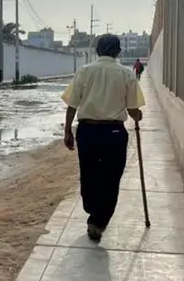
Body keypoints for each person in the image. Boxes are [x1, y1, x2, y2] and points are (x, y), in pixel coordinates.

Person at [62, 34, 145, 241]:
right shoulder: (126, 75)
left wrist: (67, 131)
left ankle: (92, 209)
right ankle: (98, 220)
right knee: (111, 177)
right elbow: (134, 109)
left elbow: (72, 104)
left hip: (87, 131)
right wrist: (138, 116)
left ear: (97, 51)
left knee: (89, 172)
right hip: (114, 134)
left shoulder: (84, 71)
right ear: (118, 52)